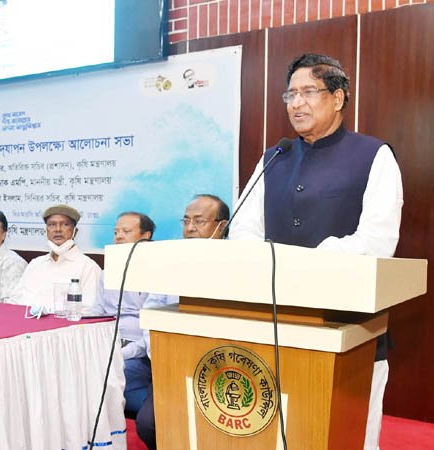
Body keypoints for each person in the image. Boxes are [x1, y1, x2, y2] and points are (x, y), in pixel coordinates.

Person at [229, 53, 403, 450]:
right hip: (275, 325)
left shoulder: (374, 155)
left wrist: (308, 264)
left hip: (349, 330)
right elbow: (243, 228)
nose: (296, 103)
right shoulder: (275, 157)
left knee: (347, 438)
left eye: (309, 92)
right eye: (290, 94)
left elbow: (377, 240)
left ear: (338, 98)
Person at [135, 194, 230, 450]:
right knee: (149, 424)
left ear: (222, 226)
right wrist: (161, 356)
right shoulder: (171, 261)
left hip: (219, 367)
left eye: (199, 221)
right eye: (186, 221)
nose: (190, 228)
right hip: (170, 363)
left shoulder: (235, 265)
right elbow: (151, 311)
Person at [88, 212, 177, 417]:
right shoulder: (107, 272)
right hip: (109, 345)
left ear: (145, 236)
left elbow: (151, 332)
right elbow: (97, 312)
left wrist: (120, 354)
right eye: (116, 232)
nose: (118, 236)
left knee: (114, 372)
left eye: (126, 231)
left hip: (139, 352)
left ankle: (159, 414)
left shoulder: (157, 272)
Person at [9, 204, 101, 311]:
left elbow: (89, 310)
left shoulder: (88, 267)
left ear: (75, 231)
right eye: (52, 225)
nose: (58, 229)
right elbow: (14, 301)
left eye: (65, 224)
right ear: (46, 231)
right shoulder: (35, 264)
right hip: (24, 319)